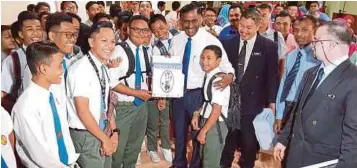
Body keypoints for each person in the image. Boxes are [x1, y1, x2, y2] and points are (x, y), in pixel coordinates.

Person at [274, 21, 357, 168]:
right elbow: (296, 112)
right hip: (297, 154)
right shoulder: (311, 73)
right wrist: (283, 140)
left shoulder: (352, 78)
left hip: (323, 160)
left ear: (331, 45)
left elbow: (353, 135)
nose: (313, 44)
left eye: (317, 40)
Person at [169, 4, 235, 168]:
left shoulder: (211, 41)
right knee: (179, 134)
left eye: (193, 21)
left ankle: (196, 165)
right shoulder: (176, 40)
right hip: (177, 94)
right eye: (186, 22)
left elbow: (228, 68)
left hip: (198, 96)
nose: (190, 26)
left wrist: (229, 78)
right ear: (180, 21)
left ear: (200, 18)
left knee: (198, 135)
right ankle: (179, 164)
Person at [220, 9, 279, 168]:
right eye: (242, 26)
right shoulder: (228, 43)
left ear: (258, 26)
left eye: (249, 27)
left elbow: (273, 76)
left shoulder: (269, 46)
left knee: (249, 145)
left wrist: (272, 101)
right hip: (230, 104)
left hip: (254, 104)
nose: (244, 31)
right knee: (227, 143)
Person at [12, 41, 79, 167]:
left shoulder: (52, 93)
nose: (62, 70)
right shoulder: (26, 107)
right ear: (43, 69)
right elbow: (40, 154)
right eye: (59, 65)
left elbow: (62, 132)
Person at [66, 21, 118, 168]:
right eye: (104, 41)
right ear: (91, 42)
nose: (110, 46)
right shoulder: (80, 69)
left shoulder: (103, 66)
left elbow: (107, 103)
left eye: (113, 41)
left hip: (103, 130)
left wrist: (114, 131)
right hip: (87, 134)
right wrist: (105, 139)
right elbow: (82, 111)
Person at [109, 15, 152, 168]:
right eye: (136, 29)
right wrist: (136, 93)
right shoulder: (118, 51)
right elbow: (112, 83)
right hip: (124, 107)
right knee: (118, 149)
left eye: (145, 30)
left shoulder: (145, 50)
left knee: (134, 146)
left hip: (141, 105)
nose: (141, 33)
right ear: (127, 30)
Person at [274, 15, 320, 134]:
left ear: (315, 32)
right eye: (296, 30)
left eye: (305, 30)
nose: (299, 34)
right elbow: (283, 86)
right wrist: (279, 115)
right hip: (287, 107)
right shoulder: (291, 55)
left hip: (305, 109)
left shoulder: (319, 58)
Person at [191, 45, 230, 168]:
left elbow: (216, 109)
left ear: (218, 61)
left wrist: (204, 131)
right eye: (202, 57)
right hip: (207, 121)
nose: (204, 61)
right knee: (205, 158)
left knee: (211, 162)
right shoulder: (209, 76)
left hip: (215, 125)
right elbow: (208, 101)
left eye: (209, 58)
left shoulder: (219, 80)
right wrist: (197, 113)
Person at [145, 14, 176, 163]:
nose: (159, 32)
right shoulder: (155, 48)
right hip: (160, 87)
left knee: (166, 120)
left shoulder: (179, 39)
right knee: (153, 121)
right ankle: (151, 148)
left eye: (161, 27)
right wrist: (161, 95)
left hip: (176, 87)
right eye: (155, 30)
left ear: (167, 24)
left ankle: (166, 145)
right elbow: (157, 71)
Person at [1, 11, 43, 112]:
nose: (35, 33)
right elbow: (3, 91)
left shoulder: (50, 54)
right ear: (21, 34)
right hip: (26, 111)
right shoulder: (12, 60)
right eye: (30, 29)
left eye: (38, 29)